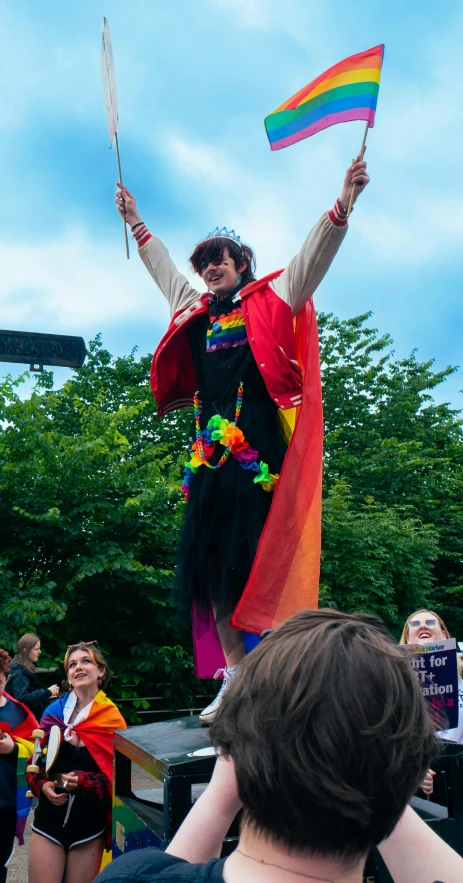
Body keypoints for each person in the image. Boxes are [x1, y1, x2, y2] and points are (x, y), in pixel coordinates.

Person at [116, 157, 370, 723]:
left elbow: (312, 258)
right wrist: (136, 222)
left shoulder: (271, 299)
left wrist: (344, 201)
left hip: (255, 445)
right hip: (209, 452)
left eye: (220, 259)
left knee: (259, 557)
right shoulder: (195, 311)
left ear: (241, 264)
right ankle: (236, 678)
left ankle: (280, 677)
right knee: (211, 569)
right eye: (204, 262)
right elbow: (162, 273)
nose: (211, 268)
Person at [95, 608, 463, 883]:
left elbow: (171, 871)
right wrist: (386, 777)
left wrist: (222, 793)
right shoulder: (393, 784)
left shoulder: (131, 876)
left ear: (233, 750)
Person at [26, 641, 126, 883]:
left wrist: (82, 782)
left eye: (86, 661)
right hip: (48, 822)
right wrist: (42, 786)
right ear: (68, 676)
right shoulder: (52, 714)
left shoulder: (112, 720)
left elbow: (118, 783)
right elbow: (35, 765)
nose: (78, 667)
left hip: (89, 829)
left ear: (100, 671)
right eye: (72, 664)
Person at [0, 648, 38, 883]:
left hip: (5, 805)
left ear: (6, 679)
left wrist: (13, 749)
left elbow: (37, 750)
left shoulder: (18, 711)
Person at [400, 609, 463, 744]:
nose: (423, 626)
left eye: (430, 622)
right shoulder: (395, 676)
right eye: (415, 624)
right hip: (413, 757)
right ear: (408, 638)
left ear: (444, 635)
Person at [8, 634, 59, 714]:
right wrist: (47, 692)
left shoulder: (23, 668)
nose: (40, 652)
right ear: (25, 651)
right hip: (16, 721)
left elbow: (29, 695)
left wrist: (44, 697)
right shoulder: (18, 671)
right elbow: (23, 698)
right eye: (36, 649)